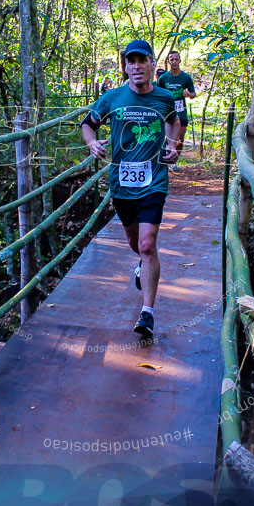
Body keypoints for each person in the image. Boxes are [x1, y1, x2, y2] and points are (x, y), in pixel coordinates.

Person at [81, 39, 181, 340]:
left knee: (149, 244)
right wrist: (91, 142)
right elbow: (88, 124)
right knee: (136, 242)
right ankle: (141, 264)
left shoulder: (164, 97)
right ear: (125, 67)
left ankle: (147, 313)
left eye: (142, 61)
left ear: (152, 64)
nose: (136, 66)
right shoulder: (112, 97)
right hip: (122, 183)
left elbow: (175, 123)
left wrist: (173, 145)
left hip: (155, 181)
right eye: (131, 61)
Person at [156, 50, 197, 171]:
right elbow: (157, 94)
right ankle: (168, 161)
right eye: (171, 59)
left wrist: (188, 94)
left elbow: (194, 93)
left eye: (176, 59)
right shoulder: (163, 78)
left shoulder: (186, 78)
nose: (174, 62)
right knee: (168, 138)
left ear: (180, 61)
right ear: (168, 62)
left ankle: (174, 159)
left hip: (181, 112)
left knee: (180, 139)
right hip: (168, 113)